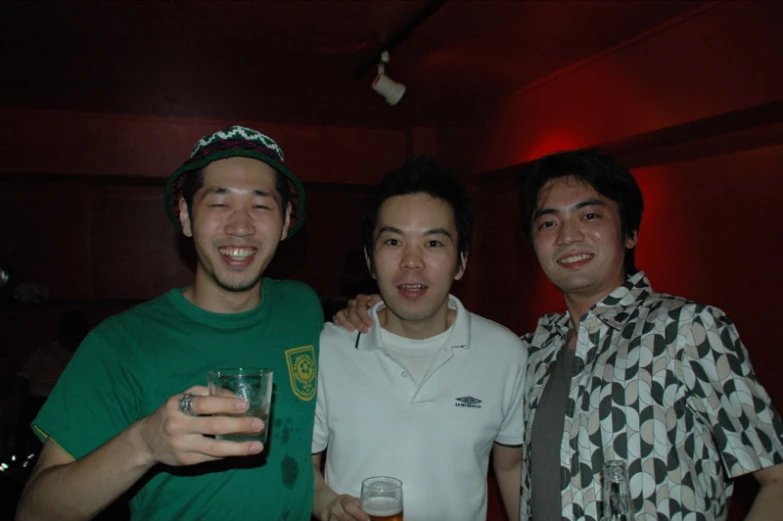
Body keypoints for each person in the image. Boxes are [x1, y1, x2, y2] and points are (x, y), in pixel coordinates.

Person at [334, 149, 783, 521]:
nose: (569, 235)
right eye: (548, 222)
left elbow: (777, 479)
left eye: (590, 215)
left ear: (630, 231)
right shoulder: (531, 349)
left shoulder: (687, 330)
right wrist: (375, 304)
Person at [16, 125, 323, 521]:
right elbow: (34, 512)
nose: (241, 226)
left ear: (285, 222)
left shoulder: (302, 307)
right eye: (219, 203)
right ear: (185, 216)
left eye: (261, 205)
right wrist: (144, 443)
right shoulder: (121, 343)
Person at [312, 157, 527, 521]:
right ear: (370, 259)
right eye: (394, 241)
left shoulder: (505, 353)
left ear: (460, 262)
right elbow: (304, 463)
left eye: (433, 243)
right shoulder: (328, 348)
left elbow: (510, 467)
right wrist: (329, 506)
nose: (412, 262)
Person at [13, 310, 90, 455]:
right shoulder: (44, 354)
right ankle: (22, 457)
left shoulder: (88, 355)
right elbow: (23, 377)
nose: (73, 337)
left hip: (73, 403)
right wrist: (18, 397)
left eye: (77, 332)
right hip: (40, 401)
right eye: (70, 332)